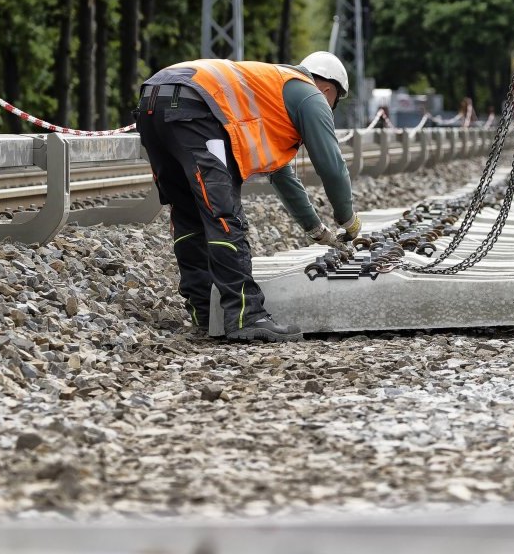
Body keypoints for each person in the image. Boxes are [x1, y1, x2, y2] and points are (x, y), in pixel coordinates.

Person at [133, 52, 362, 342]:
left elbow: (283, 177)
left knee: (188, 214)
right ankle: (246, 316)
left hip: (153, 101)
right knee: (224, 215)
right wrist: (348, 219)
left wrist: (316, 229)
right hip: (194, 108)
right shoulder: (309, 94)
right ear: (328, 90)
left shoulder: (271, 92)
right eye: (333, 103)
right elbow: (332, 166)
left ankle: (205, 313)